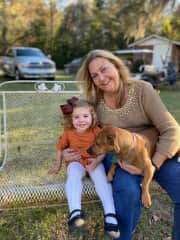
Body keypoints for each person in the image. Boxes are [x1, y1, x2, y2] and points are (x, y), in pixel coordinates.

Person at [63, 49, 180, 240]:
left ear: (117, 66)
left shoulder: (142, 90)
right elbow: (82, 133)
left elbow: (172, 130)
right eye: (95, 75)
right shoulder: (95, 104)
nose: (101, 77)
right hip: (119, 155)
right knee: (128, 190)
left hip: (154, 152)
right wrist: (70, 152)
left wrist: (154, 164)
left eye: (104, 69)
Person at [48, 97, 120, 239]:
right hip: (76, 161)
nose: (81, 120)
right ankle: (75, 213)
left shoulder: (96, 130)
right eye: (76, 117)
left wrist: (96, 162)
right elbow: (59, 147)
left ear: (92, 117)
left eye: (85, 116)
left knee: (101, 178)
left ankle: (110, 215)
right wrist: (57, 165)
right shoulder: (68, 132)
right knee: (73, 175)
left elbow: (104, 149)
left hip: (93, 161)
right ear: (71, 119)